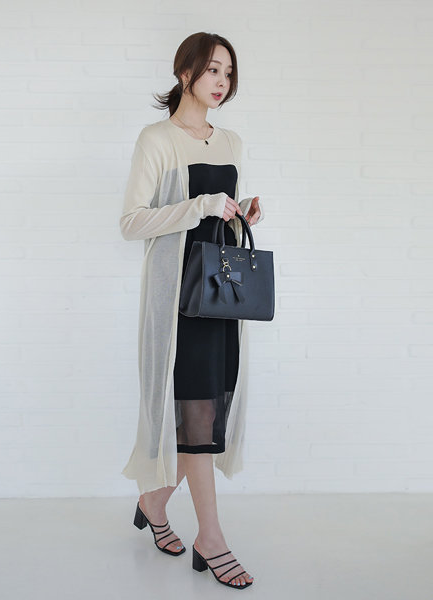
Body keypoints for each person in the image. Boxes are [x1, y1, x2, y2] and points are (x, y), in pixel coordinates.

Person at [119, 32, 263, 589]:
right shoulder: (156, 139)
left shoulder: (231, 142)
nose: (222, 81)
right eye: (212, 70)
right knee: (196, 417)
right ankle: (212, 538)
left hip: (220, 298)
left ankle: (153, 505)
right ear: (185, 73)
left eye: (228, 72)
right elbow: (132, 222)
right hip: (177, 303)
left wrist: (239, 213)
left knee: (203, 416)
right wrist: (201, 205)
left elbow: (215, 223)